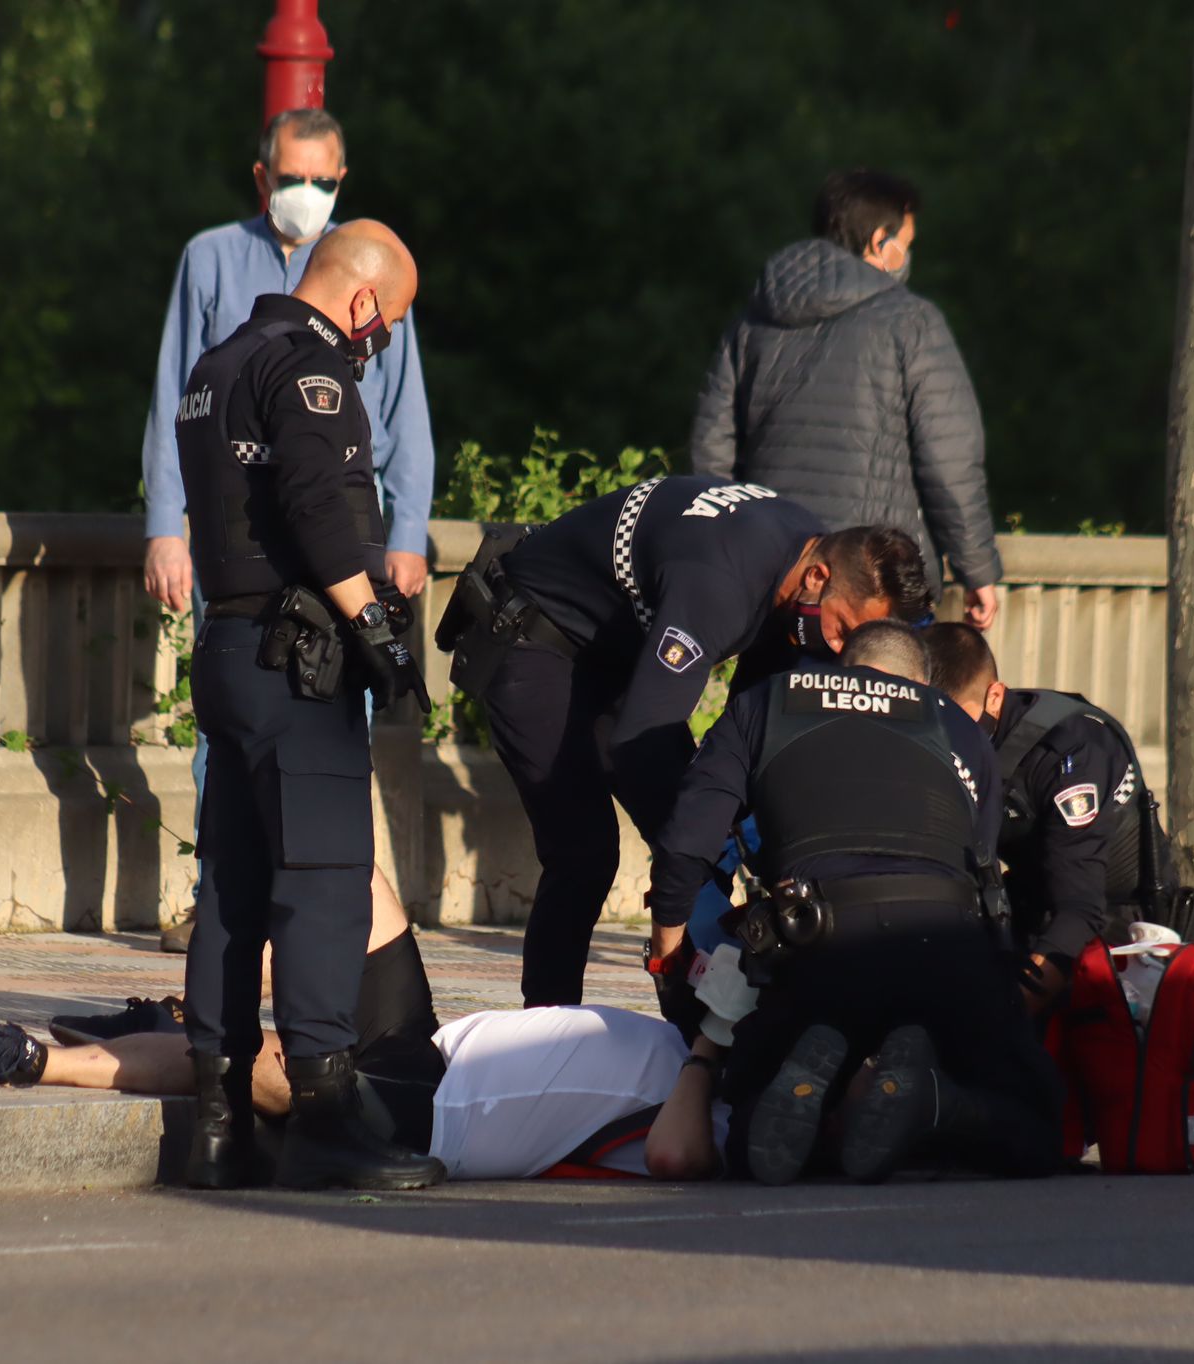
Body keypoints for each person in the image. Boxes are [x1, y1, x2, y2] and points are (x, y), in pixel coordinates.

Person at [436, 475, 933, 1008]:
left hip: (613, 656)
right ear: (816, 576)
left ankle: (718, 1019)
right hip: (533, 640)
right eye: (841, 629)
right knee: (586, 851)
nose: (839, 649)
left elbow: (754, 724)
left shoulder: (801, 565)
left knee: (711, 841)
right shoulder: (720, 583)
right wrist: (695, 846)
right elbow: (641, 745)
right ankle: (551, 1032)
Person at [172, 219, 441, 1192]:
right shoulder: (306, 370)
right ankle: (327, 1112)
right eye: (389, 320)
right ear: (363, 301)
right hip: (297, 663)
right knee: (325, 876)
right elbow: (319, 506)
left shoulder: (216, 363)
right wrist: (374, 625)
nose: (381, 340)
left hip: (228, 648)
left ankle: (216, 1125)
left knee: (233, 893)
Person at [139, 107, 435, 954]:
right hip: (257, 549)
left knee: (332, 743)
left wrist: (405, 530)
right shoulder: (213, 259)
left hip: (343, 537)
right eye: (294, 176)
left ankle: (320, 911)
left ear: (343, 182)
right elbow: (176, 403)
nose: (308, 194)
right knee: (231, 748)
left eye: (326, 180)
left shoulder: (369, 267)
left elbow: (406, 414)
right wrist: (169, 525)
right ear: (262, 176)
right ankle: (233, 900)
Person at [641, 620, 1063, 1186]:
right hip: (944, 946)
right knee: (1038, 1129)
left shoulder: (764, 705)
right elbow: (983, 873)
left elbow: (684, 846)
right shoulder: (955, 727)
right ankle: (936, 1103)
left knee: (752, 1129)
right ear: (921, 681)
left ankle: (830, 1085)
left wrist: (669, 960)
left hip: (816, 944)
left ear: (847, 665)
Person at [0, 887, 732, 1181]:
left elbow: (673, 1154)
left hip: (433, 1119)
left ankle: (21, 1059)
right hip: (432, 1051)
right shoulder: (720, 1054)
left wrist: (711, 1047)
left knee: (254, 1065)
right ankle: (190, 1004)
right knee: (348, 877)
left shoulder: (727, 1118)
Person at [689, 170, 1003, 631]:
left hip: (775, 577)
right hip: (876, 584)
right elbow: (949, 460)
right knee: (882, 701)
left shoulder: (752, 321)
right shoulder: (912, 322)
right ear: (880, 241)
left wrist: (727, 555)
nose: (907, 256)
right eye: (906, 242)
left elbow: (711, 451)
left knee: (771, 702)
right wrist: (978, 570)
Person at [924, 623, 1190, 1015]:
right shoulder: (934, 742)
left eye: (958, 724)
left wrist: (1005, 1016)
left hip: (1115, 928)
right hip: (1028, 899)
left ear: (995, 697)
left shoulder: (1069, 752)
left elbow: (1080, 911)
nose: (948, 742)